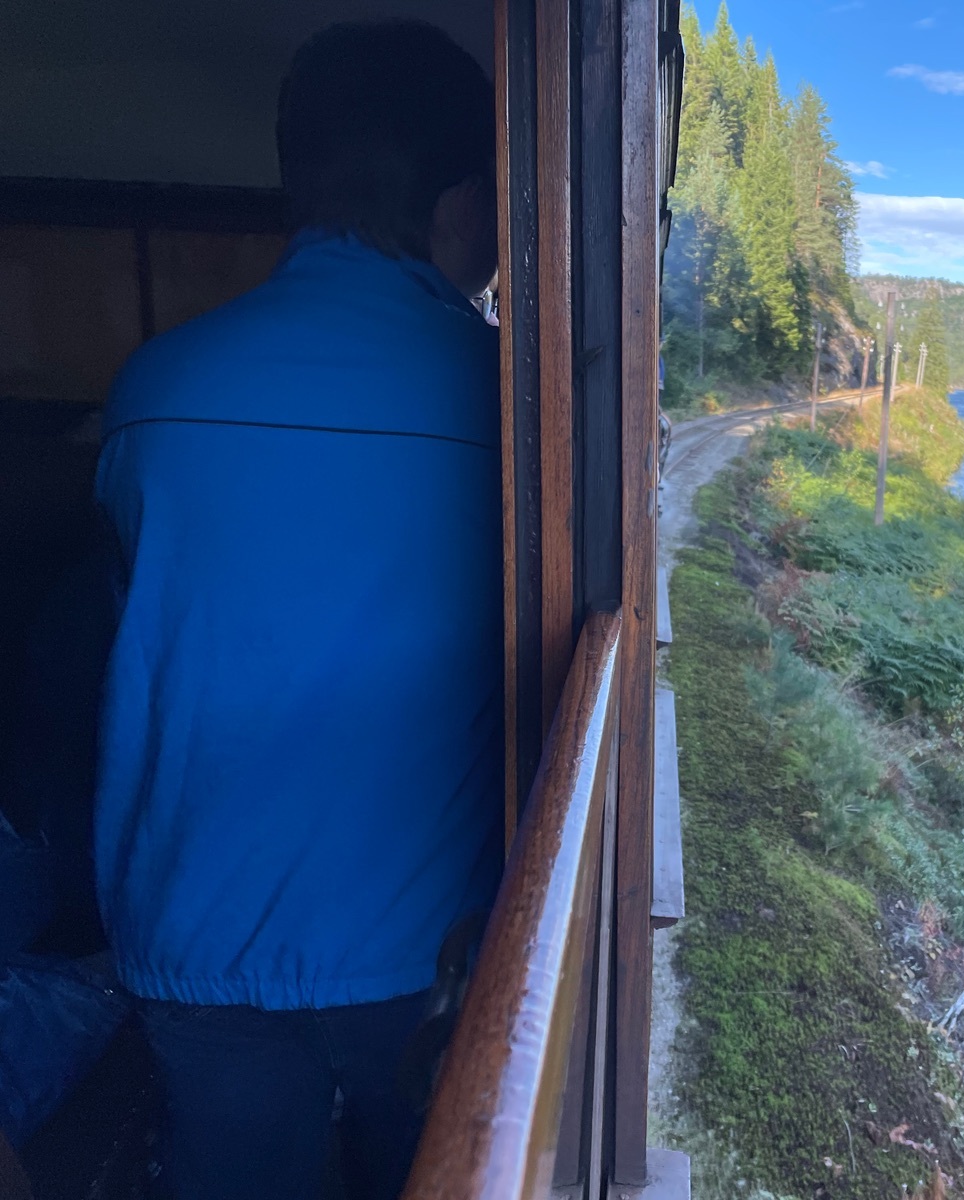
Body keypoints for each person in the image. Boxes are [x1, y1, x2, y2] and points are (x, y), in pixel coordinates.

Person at [92, 22, 502, 1200]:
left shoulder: (155, 386)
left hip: (184, 932)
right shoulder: (505, 406)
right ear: (462, 204)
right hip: (415, 952)